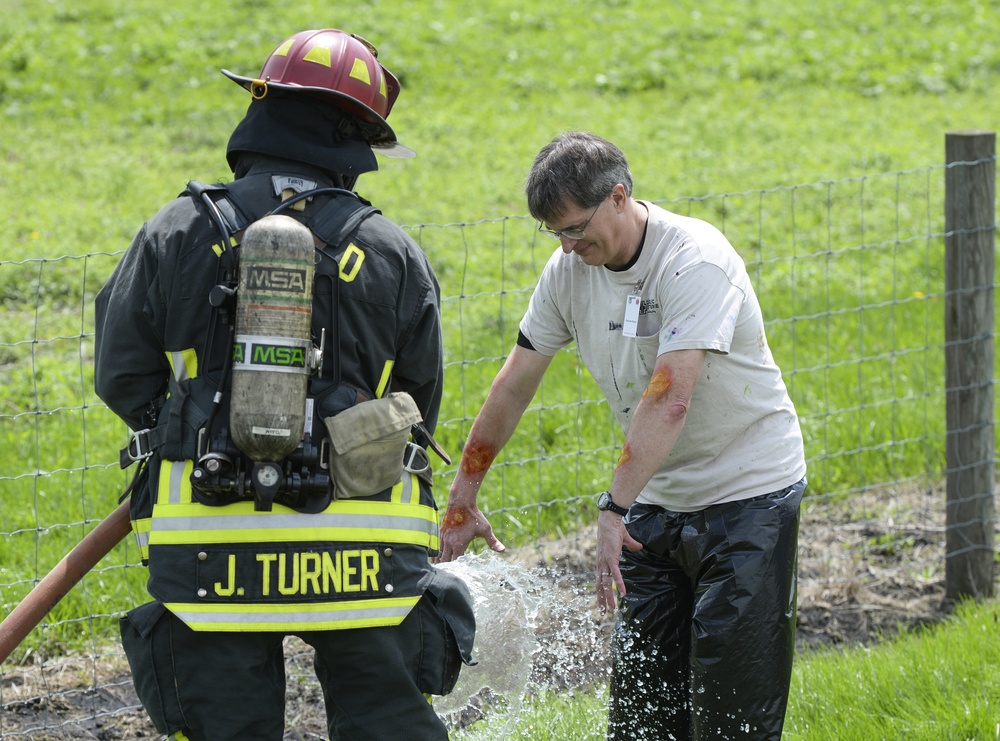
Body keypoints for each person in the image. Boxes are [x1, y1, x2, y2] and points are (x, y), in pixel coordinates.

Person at [94, 29, 475, 741]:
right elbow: (419, 399)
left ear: (262, 113)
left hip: (212, 554)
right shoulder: (392, 251)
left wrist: (187, 429)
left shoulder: (176, 231)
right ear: (352, 140)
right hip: (363, 558)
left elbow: (119, 373)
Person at [437, 131, 807, 740]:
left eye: (575, 227)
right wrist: (464, 491)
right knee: (642, 715)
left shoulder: (694, 259)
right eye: (553, 232)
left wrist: (613, 509)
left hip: (747, 498)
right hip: (654, 503)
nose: (567, 244)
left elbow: (671, 397)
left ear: (618, 196)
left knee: (733, 713)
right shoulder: (567, 272)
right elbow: (513, 384)